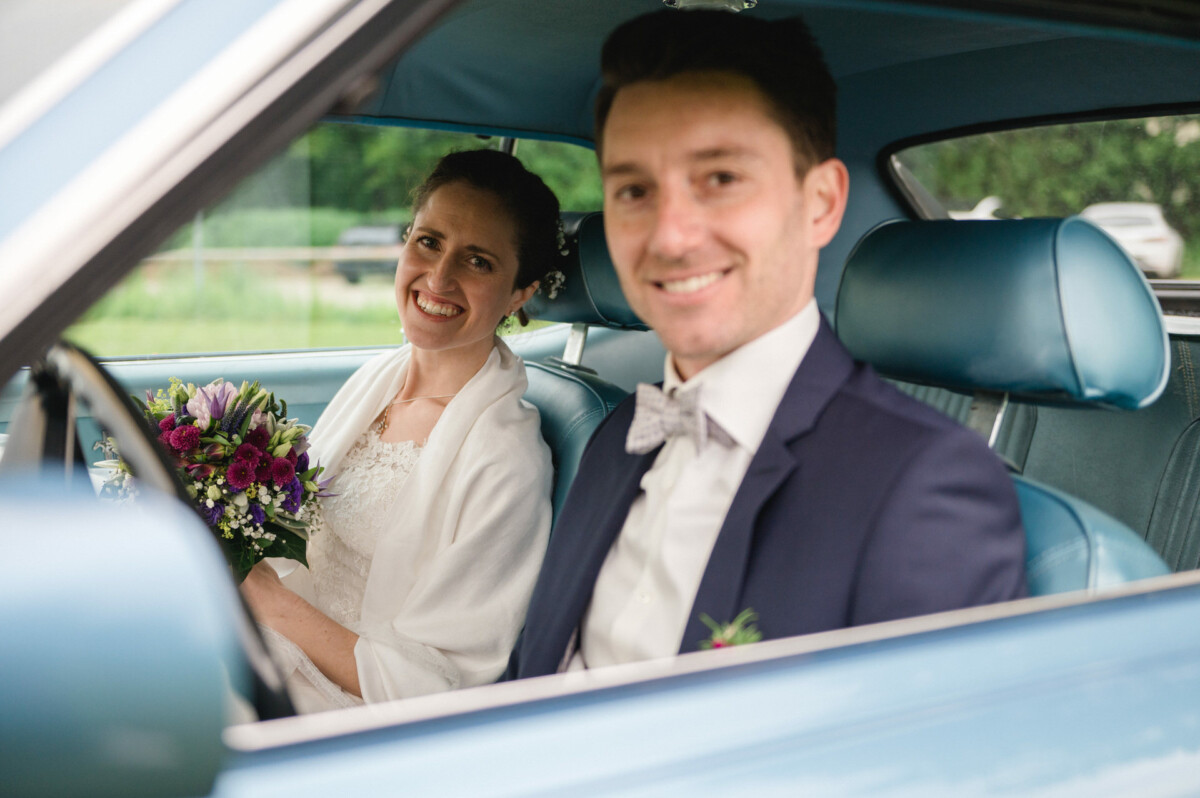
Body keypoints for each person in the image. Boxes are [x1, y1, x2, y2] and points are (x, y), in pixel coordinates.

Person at [507, 10, 1027, 677]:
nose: (670, 236)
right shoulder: (618, 437)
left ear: (820, 203)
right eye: (635, 190)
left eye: (720, 179)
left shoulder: (923, 489)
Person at [241, 149, 557, 712]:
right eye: (429, 242)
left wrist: (261, 596)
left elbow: (439, 687)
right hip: (276, 639)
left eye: (478, 261)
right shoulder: (378, 379)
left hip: (350, 705)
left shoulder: (505, 461)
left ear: (520, 294)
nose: (438, 277)